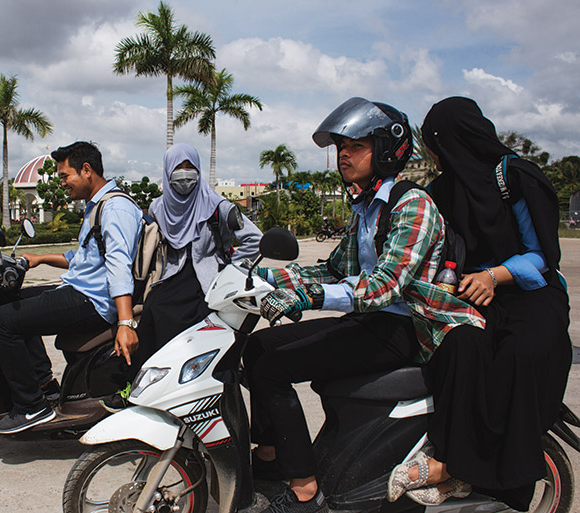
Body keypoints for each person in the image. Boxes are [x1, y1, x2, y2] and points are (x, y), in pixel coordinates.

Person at [244, 97, 485, 513]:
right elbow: (334, 270)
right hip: (370, 322)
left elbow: (386, 287)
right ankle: (272, 456)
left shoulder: (413, 205)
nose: (343, 156)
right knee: (257, 348)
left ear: (388, 149)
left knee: (272, 367)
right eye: (340, 148)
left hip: (405, 328)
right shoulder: (364, 207)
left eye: (355, 146)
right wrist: (256, 278)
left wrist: (310, 297)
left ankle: (305, 491)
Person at [387, 97, 572, 510]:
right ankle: (455, 462)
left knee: (520, 354)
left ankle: (503, 478)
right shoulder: (440, 191)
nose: (431, 153)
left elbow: (542, 254)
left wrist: (493, 276)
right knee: (458, 347)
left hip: (530, 292)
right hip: (474, 292)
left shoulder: (515, 176)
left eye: (430, 141)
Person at [0, 141, 143, 434]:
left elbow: (119, 266)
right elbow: (83, 259)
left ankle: (30, 407)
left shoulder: (116, 208)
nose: (62, 184)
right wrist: (40, 258)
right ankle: (45, 385)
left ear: (86, 170)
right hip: (80, 291)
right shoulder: (97, 206)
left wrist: (125, 322)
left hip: (92, 301)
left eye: (64, 176)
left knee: (1, 323)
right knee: (10, 304)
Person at [100, 142, 262, 412]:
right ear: (167, 172)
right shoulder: (158, 207)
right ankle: (137, 387)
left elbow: (254, 240)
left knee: (200, 336)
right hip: (171, 276)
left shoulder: (216, 205)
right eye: (178, 168)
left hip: (208, 281)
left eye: (190, 168)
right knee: (153, 312)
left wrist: (231, 269)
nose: (185, 176)